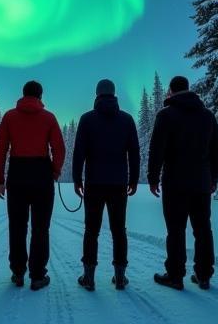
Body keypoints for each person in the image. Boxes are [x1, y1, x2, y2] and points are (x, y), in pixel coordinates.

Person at [147, 75, 218, 291]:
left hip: (175, 183)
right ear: (188, 90)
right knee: (203, 229)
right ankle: (204, 275)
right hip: (201, 183)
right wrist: (214, 178)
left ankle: (175, 275)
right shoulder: (207, 116)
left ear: (171, 91)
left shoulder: (166, 115)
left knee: (176, 230)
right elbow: (216, 150)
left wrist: (153, 178)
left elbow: (157, 149)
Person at [0, 80, 65, 291]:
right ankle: (37, 275)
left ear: (23, 94)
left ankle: (17, 272)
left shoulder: (9, 117)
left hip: (17, 174)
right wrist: (54, 170)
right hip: (41, 175)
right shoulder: (49, 118)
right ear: (40, 96)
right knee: (41, 228)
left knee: (17, 226)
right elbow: (59, 149)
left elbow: (0, 149)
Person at [72, 79, 140, 292]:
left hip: (94, 183)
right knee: (119, 230)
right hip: (118, 183)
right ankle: (120, 277)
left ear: (97, 94)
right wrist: (134, 179)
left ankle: (89, 277)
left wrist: (77, 179)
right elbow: (135, 153)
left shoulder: (87, 119)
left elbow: (79, 152)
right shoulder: (127, 120)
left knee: (91, 231)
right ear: (114, 94)